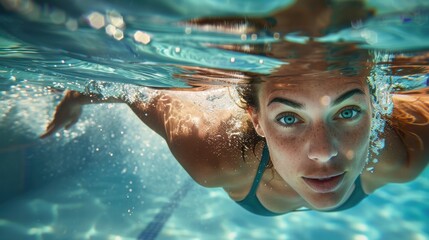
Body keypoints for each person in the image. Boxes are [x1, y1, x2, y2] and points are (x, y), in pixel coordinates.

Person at [41, 0, 429, 216]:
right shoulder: (215, 157)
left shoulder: (406, 153)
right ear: (256, 120)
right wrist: (80, 95)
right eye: (289, 118)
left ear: (376, 107)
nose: (324, 151)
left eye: (347, 112)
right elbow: (142, 93)